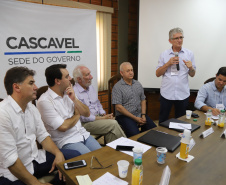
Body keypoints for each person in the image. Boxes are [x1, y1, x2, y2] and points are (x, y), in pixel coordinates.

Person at [0, 66, 80, 185]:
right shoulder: (3, 113)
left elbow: (43, 136)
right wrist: (36, 183)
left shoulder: (31, 108)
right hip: (12, 172)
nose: (36, 87)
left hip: (35, 159)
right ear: (16, 87)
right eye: (31, 83)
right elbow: (10, 160)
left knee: (75, 157)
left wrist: (58, 153)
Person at [37, 64, 101, 155]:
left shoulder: (69, 92)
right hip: (67, 141)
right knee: (90, 159)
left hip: (83, 134)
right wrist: (77, 115)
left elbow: (87, 113)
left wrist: (74, 99)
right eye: (67, 76)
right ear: (57, 81)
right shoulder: (44, 101)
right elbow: (63, 127)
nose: (70, 78)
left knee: (102, 154)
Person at [72, 65, 126, 143]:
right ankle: (128, 146)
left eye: (90, 73)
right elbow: (83, 117)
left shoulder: (90, 87)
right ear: (79, 79)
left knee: (110, 132)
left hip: (97, 118)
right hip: (85, 123)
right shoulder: (74, 93)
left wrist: (103, 114)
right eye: (87, 75)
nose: (91, 77)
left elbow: (97, 103)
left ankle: (111, 152)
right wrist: (102, 119)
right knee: (113, 123)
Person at [156, 27, 196, 123]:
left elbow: (192, 74)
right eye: (177, 38)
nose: (179, 40)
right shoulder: (164, 54)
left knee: (181, 121)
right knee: (163, 120)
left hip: (182, 94)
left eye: (181, 38)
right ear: (170, 41)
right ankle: (162, 136)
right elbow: (157, 73)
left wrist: (191, 68)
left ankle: (179, 138)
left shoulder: (189, 54)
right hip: (166, 93)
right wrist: (167, 64)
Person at [112, 62, 156, 137]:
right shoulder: (117, 87)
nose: (131, 73)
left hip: (139, 114)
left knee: (153, 130)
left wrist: (143, 115)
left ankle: (145, 143)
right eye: (128, 71)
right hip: (125, 116)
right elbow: (118, 107)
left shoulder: (138, 84)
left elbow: (143, 100)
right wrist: (135, 118)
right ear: (121, 73)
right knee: (135, 135)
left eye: (132, 70)